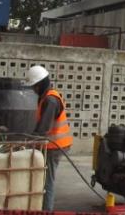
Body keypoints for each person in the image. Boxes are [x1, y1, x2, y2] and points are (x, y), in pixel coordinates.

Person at [25, 65, 73, 211]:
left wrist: (28, 143)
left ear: (39, 84)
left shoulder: (51, 100)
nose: (33, 90)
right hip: (52, 144)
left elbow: (43, 129)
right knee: (44, 178)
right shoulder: (46, 97)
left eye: (34, 86)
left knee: (47, 181)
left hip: (55, 146)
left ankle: (47, 210)